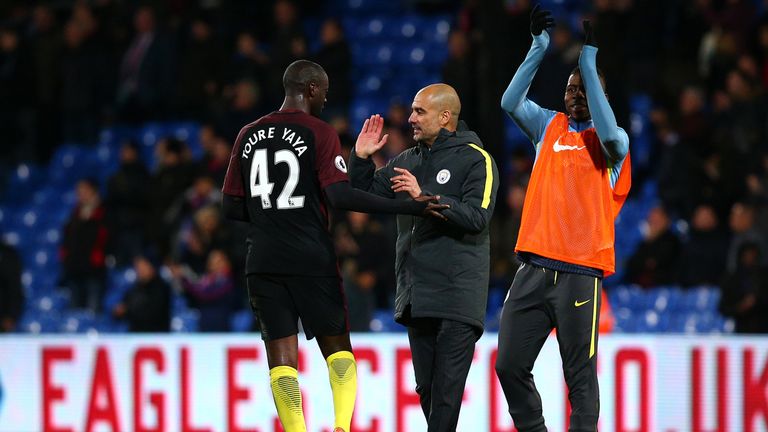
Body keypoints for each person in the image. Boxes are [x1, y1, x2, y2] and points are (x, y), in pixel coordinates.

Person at [220, 59, 447, 432]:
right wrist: (406, 207)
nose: (326, 99)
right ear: (310, 89)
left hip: (261, 259)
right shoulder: (320, 132)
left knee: (281, 359)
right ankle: (341, 427)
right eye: (324, 91)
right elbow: (341, 197)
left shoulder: (248, 133)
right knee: (338, 350)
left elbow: (230, 204)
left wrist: (271, 215)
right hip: (310, 256)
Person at [495, 8, 631, 432]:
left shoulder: (613, 143)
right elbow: (509, 102)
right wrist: (537, 50)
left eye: (585, 90)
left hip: (579, 273)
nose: (575, 94)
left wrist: (588, 63)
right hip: (533, 268)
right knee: (508, 365)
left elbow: (609, 134)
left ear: (600, 99)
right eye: (571, 88)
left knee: (580, 382)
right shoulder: (547, 126)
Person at [349, 83, 499, 431]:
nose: (411, 119)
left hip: (457, 295)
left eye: (420, 111)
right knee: (427, 390)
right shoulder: (408, 160)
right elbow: (364, 195)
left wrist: (425, 197)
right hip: (417, 296)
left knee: (446, 394)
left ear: (445, 117)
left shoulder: (477, 159)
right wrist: (361, 159)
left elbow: (478, 217)